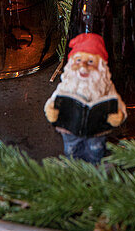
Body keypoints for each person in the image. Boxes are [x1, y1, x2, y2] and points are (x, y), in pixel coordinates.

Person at [44, 33, 126, 163]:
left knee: (96, 151)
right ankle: (74, 167)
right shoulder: (67, 84)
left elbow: (117, 103)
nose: (83, 66)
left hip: (96, 131)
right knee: (71, 150)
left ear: (100, 66)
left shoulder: (106, 87)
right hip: (70, 128)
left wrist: (118, 115)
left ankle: (96, 167)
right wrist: (51, 109)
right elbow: (54, 99)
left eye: (90, 61)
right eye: (78, 60)